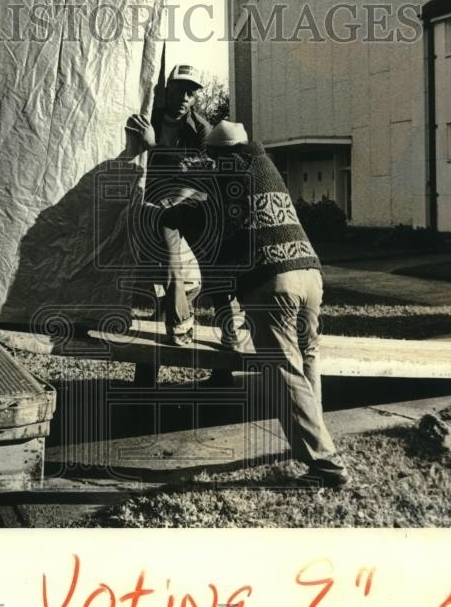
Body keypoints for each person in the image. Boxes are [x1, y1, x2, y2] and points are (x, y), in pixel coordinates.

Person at [127, 115, 349, 487]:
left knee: (283, 371)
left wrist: (151, 154)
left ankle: (326, 466)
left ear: (217, 154)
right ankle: (320, 443)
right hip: (310, 273)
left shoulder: (217, 176)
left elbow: (178, 208)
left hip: (274, 281)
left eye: (210, 154)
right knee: (308, 358)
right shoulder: (263, 165)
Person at [145, 64, 213, 344]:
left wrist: (155, 148)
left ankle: (230, 334)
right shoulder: (151, 118)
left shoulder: (201, 128)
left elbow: (202, 174)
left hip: (191, 200)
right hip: (154, 203)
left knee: (204, 274)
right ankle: (179, 323)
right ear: (168, 90)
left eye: (191, 92)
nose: (185, 97)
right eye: (180, 90)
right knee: (172, 255)